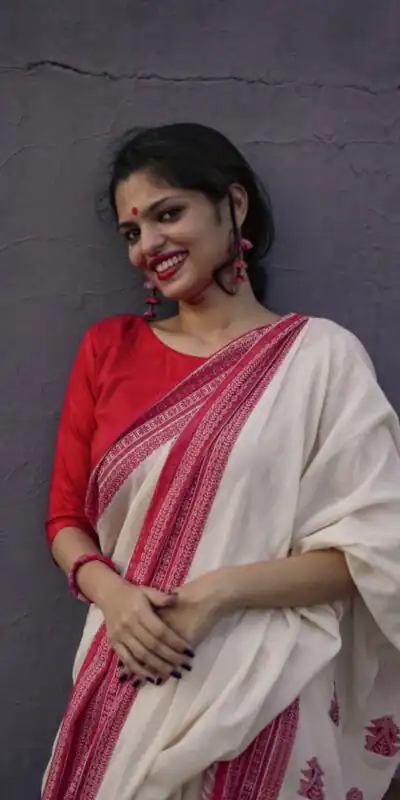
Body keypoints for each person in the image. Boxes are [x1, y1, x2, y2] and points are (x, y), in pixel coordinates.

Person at [41, 123, 400, 800]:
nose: (148, 245)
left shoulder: (322, 359)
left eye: (167, 214)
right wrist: (115, 597)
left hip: (268, 692)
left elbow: (374, 553)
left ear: (233, 205)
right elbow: (66, 519)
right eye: (131, 232)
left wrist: (217, 593)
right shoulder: (109, 350)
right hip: (130, 673)